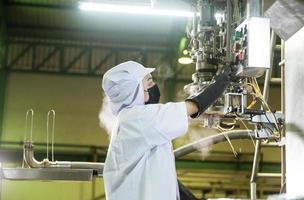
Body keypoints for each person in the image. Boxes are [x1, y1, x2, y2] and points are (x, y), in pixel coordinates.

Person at [101, 61, 232, 200]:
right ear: (134, 90)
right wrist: (221, 82)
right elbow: (193, 106)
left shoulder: (128, 120)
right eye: (149, 82)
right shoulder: (139, 118)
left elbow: (160, 173)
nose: (154, 86)